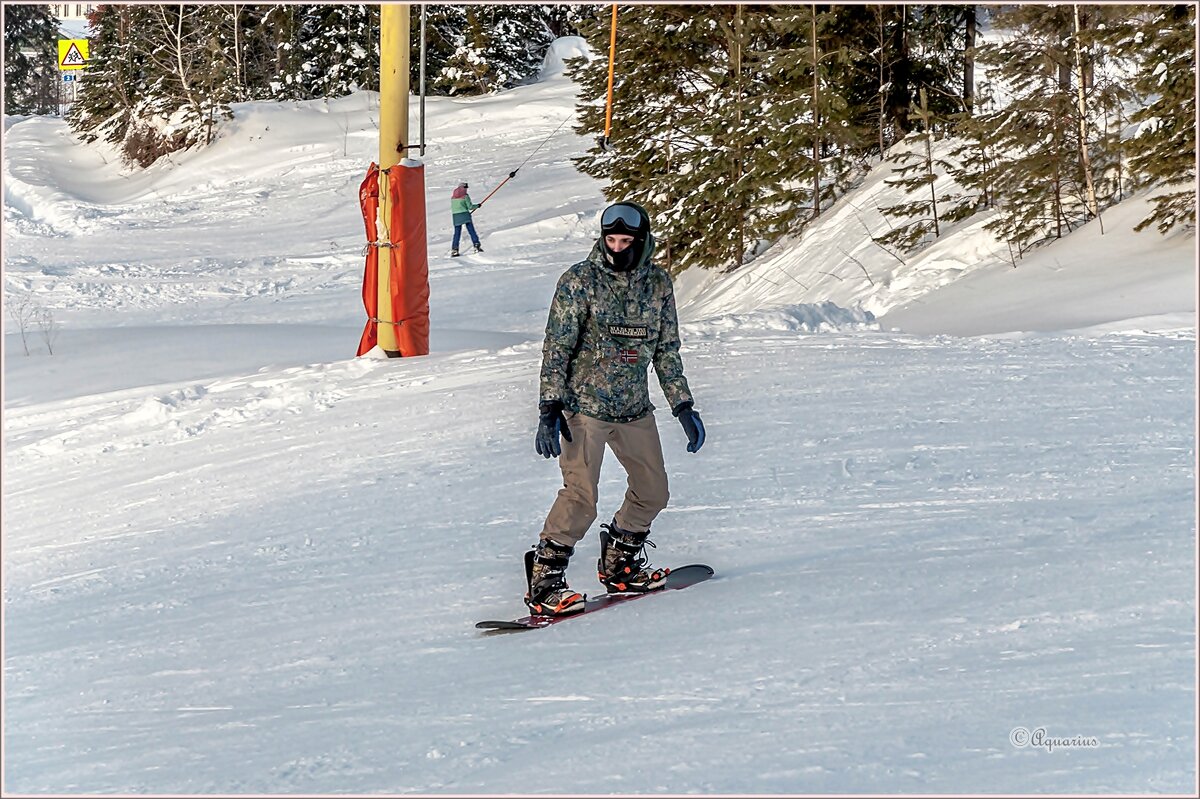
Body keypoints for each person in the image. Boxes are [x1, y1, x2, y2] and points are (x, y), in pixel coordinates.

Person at [524, 201, 706, 616]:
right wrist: (549, 406)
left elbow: (666, 350)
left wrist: (682, 405)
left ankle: (621, 561)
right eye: (612, 240)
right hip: (583, 409)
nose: (617, 248)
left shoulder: (657, 284)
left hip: (634, 409)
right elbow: (557, 348)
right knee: (580, 497)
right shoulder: (579, 281)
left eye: (626, 241)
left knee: (653, 491)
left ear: (641, 242)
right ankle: (545, 580)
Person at [450, 182, 483, 256]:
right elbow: (470, 207)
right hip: (465, 214)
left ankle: (454, 249)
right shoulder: (465, 196)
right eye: (466, 188)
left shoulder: (453, 197)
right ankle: (476, 245)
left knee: (457, 233)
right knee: (471, 230)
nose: (466, 190)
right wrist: (477, 206)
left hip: (456, 216)